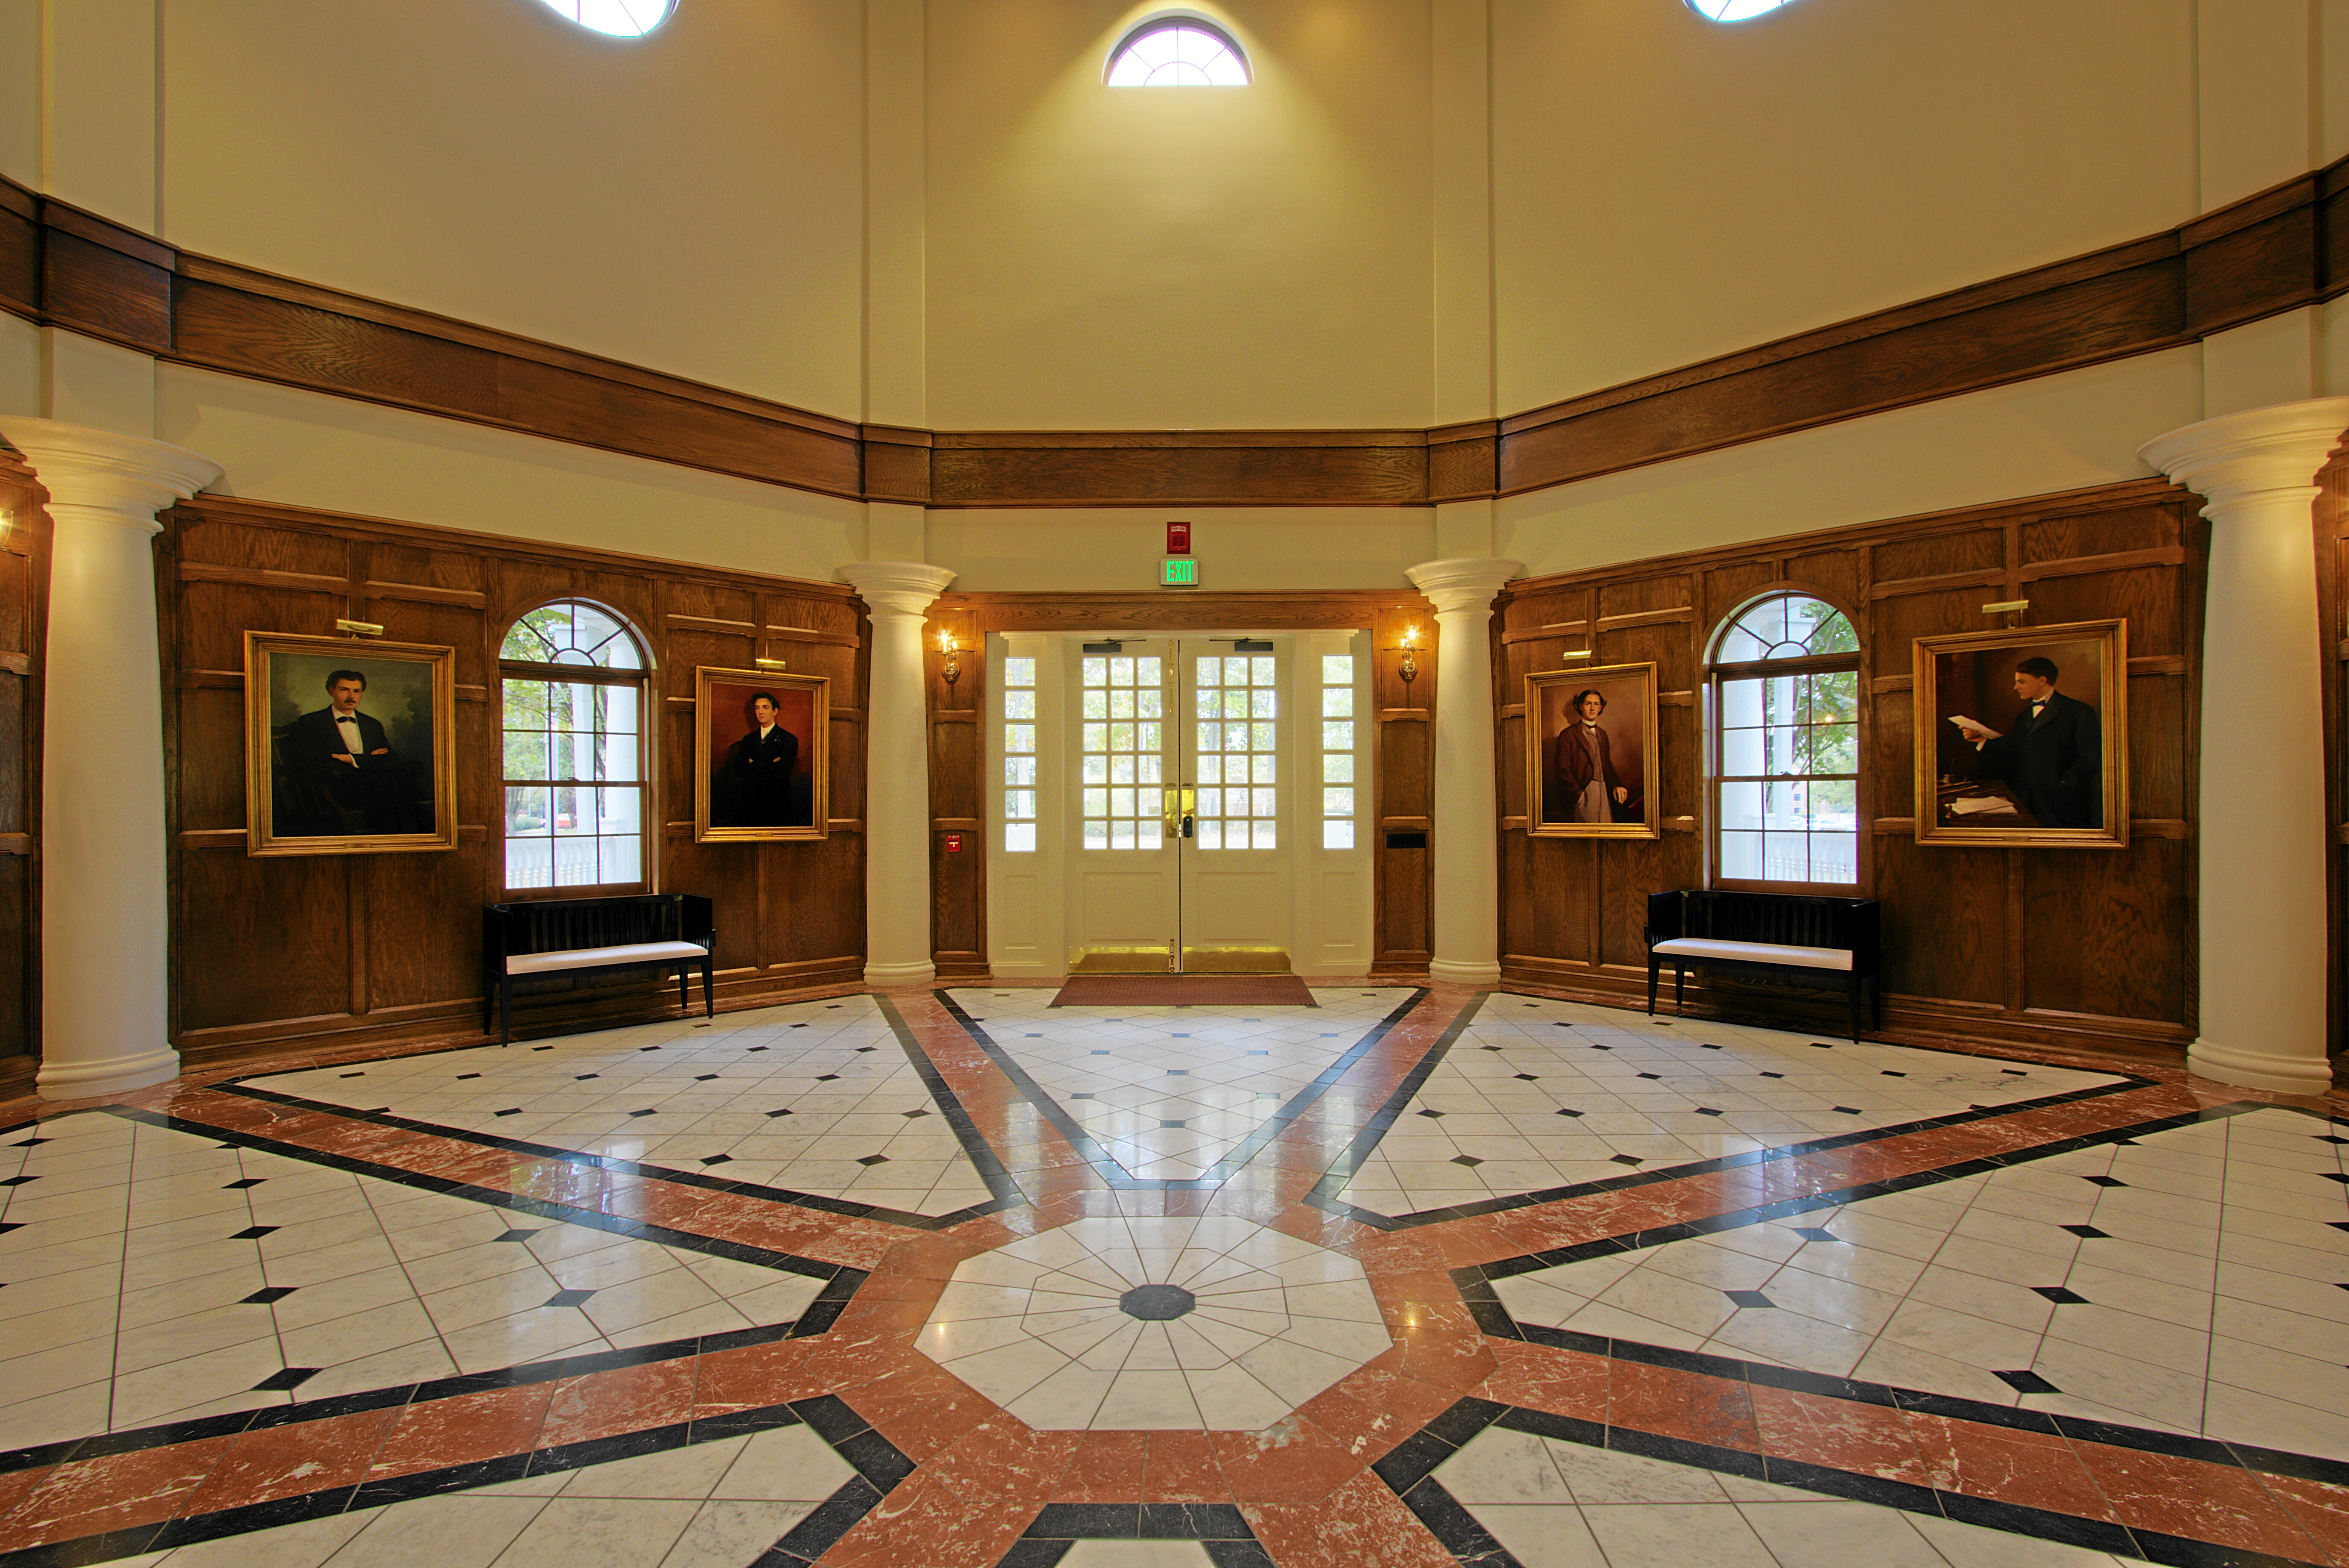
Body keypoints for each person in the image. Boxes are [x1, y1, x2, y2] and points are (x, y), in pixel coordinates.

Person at [1954, 656, 2101, 827]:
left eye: (2022, 682)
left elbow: (2092, 758)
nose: (2016, 687)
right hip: (2027, 801)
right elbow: (2016, 753)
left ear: (2042, 681)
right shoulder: (2023, 718)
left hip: (2064, 805)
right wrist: (1983, 740)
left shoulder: (2080, 712)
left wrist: (2064, 784)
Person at [280, 668, 424, 834]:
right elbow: (310, 760)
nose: (351, 696)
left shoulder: (372, 724)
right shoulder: (311, 722)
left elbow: (391, 758)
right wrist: (369, 759)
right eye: (344, 690)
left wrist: (349, 759)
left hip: (378, 785)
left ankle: (404, 833)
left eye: (357, 691)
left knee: (401, 769)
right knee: (389, 776)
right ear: (331, 691)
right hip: (338, 788)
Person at [715, 692, 805, 827]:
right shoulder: (748, 740)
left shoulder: (788, 740)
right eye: (757, 708)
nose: (760, 712)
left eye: (765, 707)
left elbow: (783, 771)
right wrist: (771, 764)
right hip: (750, 804)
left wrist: (753, 764)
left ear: (775, 711)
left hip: (776, 804)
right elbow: (739, 769)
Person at [1547, 687, 1629, 824]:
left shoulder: (1602, 735)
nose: (1592, 708)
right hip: (1585, 793)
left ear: (1600, 708)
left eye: (1596, 704)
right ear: (1581, 707)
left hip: (1604, 791)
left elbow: (1607, 765)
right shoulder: (1568, 735)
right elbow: (1563, 770)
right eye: (1588, 704)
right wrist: (1579, 795)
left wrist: (1617, 785)